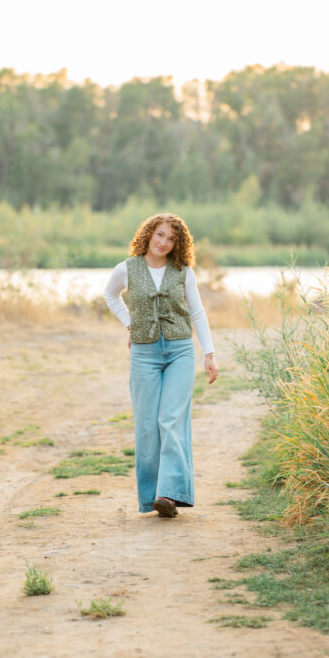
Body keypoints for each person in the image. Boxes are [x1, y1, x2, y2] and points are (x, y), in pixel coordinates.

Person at [104, 212, 218, 518]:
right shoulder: (126, 269)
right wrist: (132, 325)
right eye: (160, 235)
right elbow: (110, 296)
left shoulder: (183, 271)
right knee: (147, 426)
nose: (164, 243)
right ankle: (151, 497)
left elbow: (197, 311)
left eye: (171, 239)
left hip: (180, 351)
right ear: (148, 234)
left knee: (170, 420)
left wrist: (209, 353)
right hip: (144, 353)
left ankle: (169, 495)